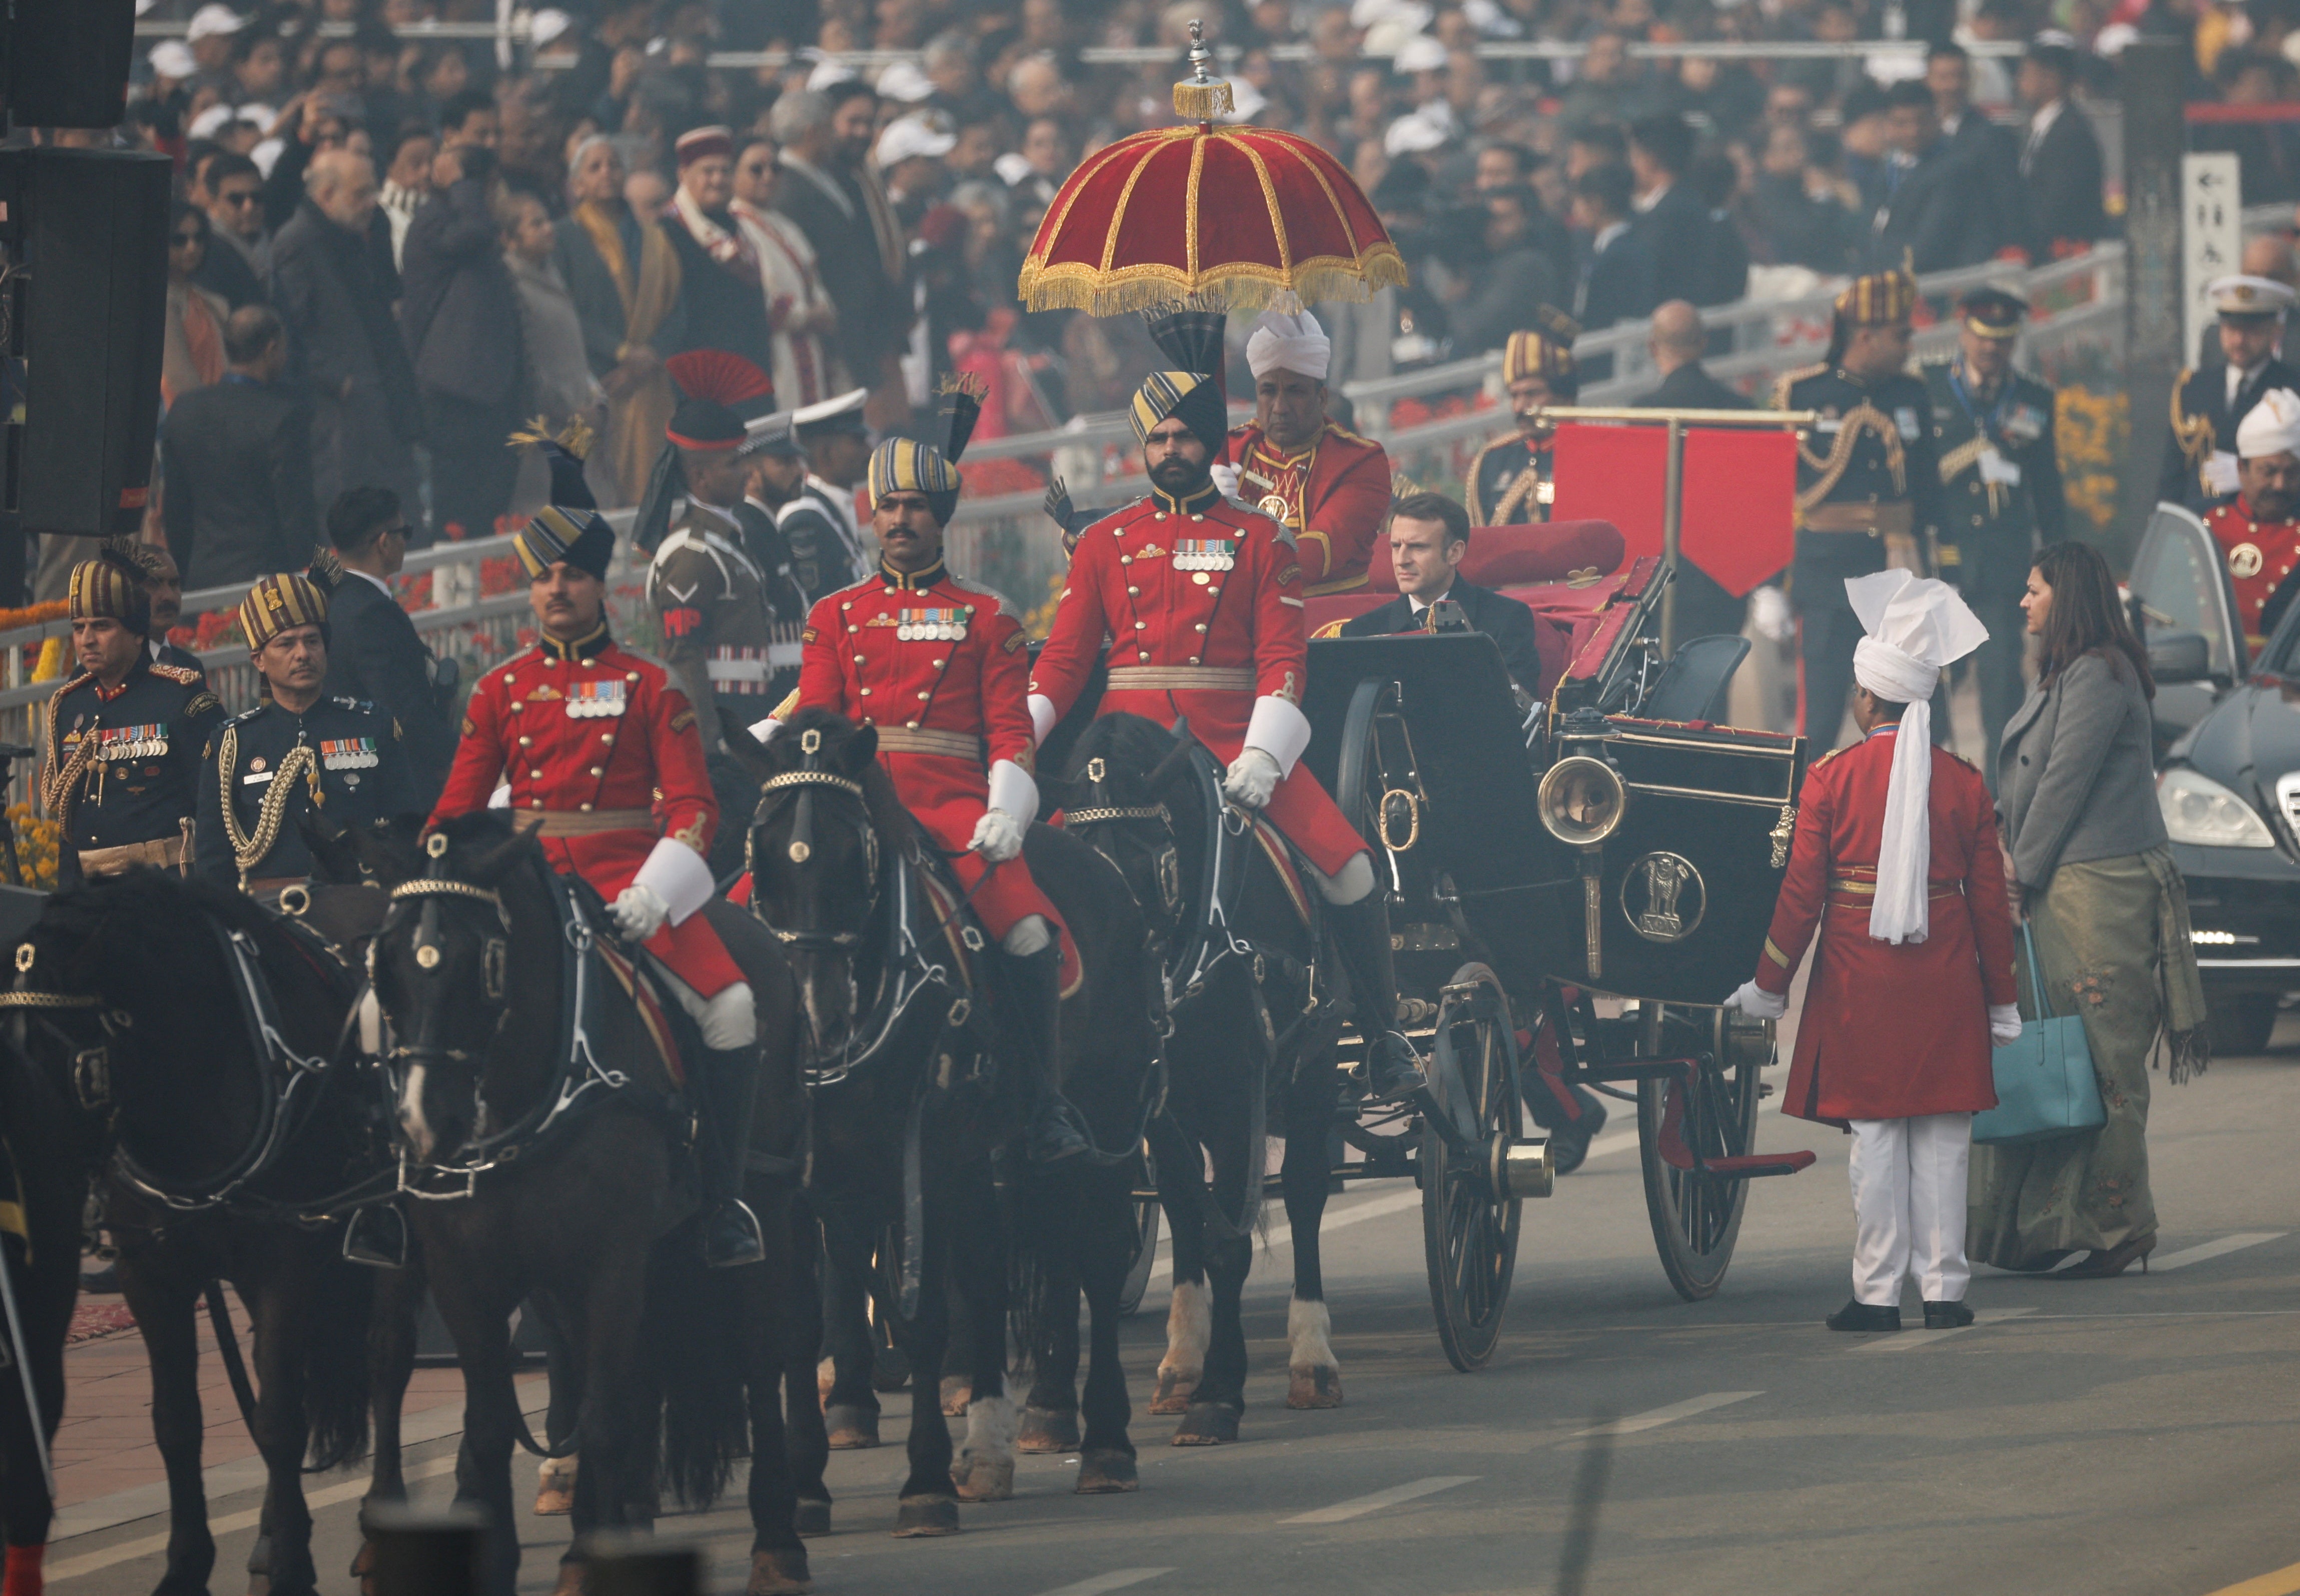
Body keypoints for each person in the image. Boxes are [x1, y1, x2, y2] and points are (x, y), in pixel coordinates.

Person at [1028, 365, 1425, 1103]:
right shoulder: (1105, 540)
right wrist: (1015, 743)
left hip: (1236, 739)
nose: (1171, 449)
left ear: (1211, 441)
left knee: (1353, 872)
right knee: (1033, 878)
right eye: (1158, 438)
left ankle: (1383, 1035)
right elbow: (1062, 661)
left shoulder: (1260, 538)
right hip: (1124, 754)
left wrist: (1265, 755)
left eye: (1185, 436)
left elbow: (1282, 658)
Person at [427, 476, 775, 1269]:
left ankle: (722, 1201)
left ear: (599, 586)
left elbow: (695, 808)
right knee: (397, 1012)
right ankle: (407, 1191)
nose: (558, 588)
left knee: (733, 1010)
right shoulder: (498, 692)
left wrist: (656, 893)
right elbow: (453, 815)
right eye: (545, 575)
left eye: (573, 575)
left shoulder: (653, 685)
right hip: (521, 894)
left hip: (630, 891)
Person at [752, 378, 1091, 1163]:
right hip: (852, 814)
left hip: (956, 816)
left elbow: (1011, 731)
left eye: (915, 506)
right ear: (871, 515)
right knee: (745, 917)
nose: (900, 519)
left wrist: (1006, 810)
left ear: (941, 517)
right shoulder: (834, 615)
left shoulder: (990, 616)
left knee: (1033, 937)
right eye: (888, 505)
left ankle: (1043, 1105)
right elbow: (818, 721)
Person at [1728, 570, 2016, 1332]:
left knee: (1880, 1140)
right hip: (1950, 974)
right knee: (1947, 1135)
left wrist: (1768, 984)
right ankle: (1947, 1292)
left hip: (1861, 977)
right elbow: (1992, 905)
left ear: (1866, 699)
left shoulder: (1830, 779)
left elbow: (1799, 900)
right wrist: (2005, 999)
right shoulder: (1965, 783)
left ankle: (1879, 1293)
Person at [1971, 541, 2209, 1280]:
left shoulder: (2100, 676)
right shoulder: (2071, 673)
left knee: (2102, 1069)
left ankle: (2120, 1225)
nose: (2023, 601)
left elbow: (2063, 784)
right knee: (2066, 1063)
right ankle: (2054, 1227)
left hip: (2097, 894)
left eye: (2034, 589)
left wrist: (2017, 874)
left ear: (2064, 596)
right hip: (2067, 895)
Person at [1775, 267, 1945, 748]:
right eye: (1901, 335)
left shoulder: (1910, 394)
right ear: (1865, 336)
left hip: (1899, 574)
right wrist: (1772, 584)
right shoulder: (1804, 395)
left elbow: (1929, 490)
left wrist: (1944, 569)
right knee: (1821, 718)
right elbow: (1777, 493)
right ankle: (1803, 819)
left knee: (1917, 716)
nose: (1909, 345)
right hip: (1830, 577)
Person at [195, 571, 417, 894]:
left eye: (312, 641)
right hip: (271, 913)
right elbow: (213, 860)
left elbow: (405, 828)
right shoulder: (233, 744)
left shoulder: (372, 725)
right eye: (286, 644)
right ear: (258, 659)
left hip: (357, 903)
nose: (302, 654)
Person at [1926, 287, 2065, 765]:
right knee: (1931, 693)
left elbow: (2048, 489)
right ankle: (1926, 792)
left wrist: (2058, 562)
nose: (1992, 350)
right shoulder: (1929, 389)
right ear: (1964, 332)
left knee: (2004, 687)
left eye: (2003, 342)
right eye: (1984, 339)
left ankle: (1997, 805)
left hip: (2006, 568)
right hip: (1945, 562)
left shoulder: (2033, 397)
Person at [41, 548, 226, 886]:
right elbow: (68, 819)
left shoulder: (182, 695)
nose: (87, 640)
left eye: (102, 627)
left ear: (137, 633)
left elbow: (214, 806)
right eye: (79, 628)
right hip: (92, 891)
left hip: (161, 887)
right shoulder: (70, 704)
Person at [270, 147, 425, 528]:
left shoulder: (355, 236)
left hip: (382, 401)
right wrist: (340, 383)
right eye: (360, 194)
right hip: (340, 418)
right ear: (326, 196)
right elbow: (293, 332)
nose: (372, 203)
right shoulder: (297, 244)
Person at [640, 354, 785, 753]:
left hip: (748, 722)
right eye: (734, 462)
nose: (747, 471)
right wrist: (707, 746)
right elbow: (684, 656)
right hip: (724, 731)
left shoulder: (724, 541)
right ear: (701, 475)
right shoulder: (691, 554)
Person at [553, 134, 685, 510]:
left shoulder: (654, 237)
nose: (607, 172)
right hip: (600, 378)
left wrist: (651, 355)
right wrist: (621, 352)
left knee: (654, 484)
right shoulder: (564, 237)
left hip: (652, 380)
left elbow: (677, 309)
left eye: (613, 164)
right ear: (577, 183)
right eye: (595, 167)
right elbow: (568, 310)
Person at [1219, 311, 1393, 595]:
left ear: (1321, 399)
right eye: (1268, 392)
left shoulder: (1359, 462)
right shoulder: (1231, 450)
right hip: (1244, 618)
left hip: (1332, 622)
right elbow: (1185, 548)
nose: (1279, 407)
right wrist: (1206, 512)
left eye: (1295, 392)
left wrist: (1224, 551)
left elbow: (1314, 557)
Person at [401, 140, 523, 541]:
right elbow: (472, 231)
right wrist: (464, 183)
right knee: (459, 517)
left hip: (489, 396)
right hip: (455, 396)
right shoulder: (437, 221)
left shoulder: (463, 223)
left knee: (490, 514)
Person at [769, 85, 909, 427]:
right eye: (831, 127)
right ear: (813, 133)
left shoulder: (830, 176)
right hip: (841, 336)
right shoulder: (788, 189)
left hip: (866, 330)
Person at [159, 305, 321, 589]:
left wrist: (181, 578)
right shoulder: (282, 417)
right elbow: (296, 514)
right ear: (271, 349)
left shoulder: (184, 411)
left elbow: (175, 510)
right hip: (267, 580)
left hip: (202, 576)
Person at [1331, 491, 1546, 696]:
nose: (1401, 560)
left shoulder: (1505, 620)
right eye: (1396, 546)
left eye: (1418, 547)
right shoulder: (1360, 633)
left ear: (1455, 552)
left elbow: (1519, 715)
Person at [319, 487, 457, 806]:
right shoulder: (371, 612)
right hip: (391, 789)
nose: (405, 541)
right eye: (404, 532)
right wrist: (470, 751)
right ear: (384, 542)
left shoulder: (330, 599)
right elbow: (402, 711)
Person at [1634, 300, 1756, 643]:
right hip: (1725, 574)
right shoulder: (1742, 412)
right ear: (1703, 344)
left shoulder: (1640, 415)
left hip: (1656, 575)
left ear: (1652, 347)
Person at [2160, 275, 2300, 511]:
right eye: (2231, 328)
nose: (2239, 340)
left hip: (2269, 527)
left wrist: (2249, 477)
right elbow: (2173, 478)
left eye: (2252, 330)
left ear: (2276, 332)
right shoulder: (2195, 387)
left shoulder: (2293, 388)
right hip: (2200, 527)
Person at [730, 132, 844, 411]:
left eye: (775, 169)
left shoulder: (787, 225)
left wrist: (824, 310)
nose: (768, 177)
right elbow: (753, 304)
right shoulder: (732, 228)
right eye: (756, 170)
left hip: (811, 348)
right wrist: (804, 316)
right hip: (774, 355)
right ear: (733, 174)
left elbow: (813, 278)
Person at [660, 126, 777, 378]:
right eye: (708, 171)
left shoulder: (739, 226)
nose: (718, 180)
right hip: (701, 372)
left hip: (750, 367)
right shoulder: (667, 232)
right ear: (683, 175)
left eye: (725, 171)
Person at [2201, 386, 2300, 652]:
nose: (2280, 485)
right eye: (2269, 472)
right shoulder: (2209, 529)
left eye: (2291, 474)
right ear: (2241, 469)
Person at [1466, 310, 1578, 526]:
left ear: (1564, 398)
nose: (1520, 407)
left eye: (1533, 394)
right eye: (1514, 395)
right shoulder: (1493, 459)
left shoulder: (1589, 454)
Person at [2017, 32, 2106, 263]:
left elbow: (2058, 204)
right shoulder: (2042, 127)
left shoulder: (2070, 134)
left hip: (2064, 255)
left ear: (2050, 79)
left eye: (2028, 74)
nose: (2021, 83)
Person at [779, 387, 873, 601]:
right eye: (858, 442)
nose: (869, 451)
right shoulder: (804, 519)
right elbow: (818, 605)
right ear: (825, 453)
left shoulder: (833, 506)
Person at [1570, 163, 1655, 333]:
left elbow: (1598, 316)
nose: (1574, 209)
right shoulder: (1633, 244)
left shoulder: (1616, 256)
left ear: (1596, 203)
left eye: (1578, 200)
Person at [163, 202, 229, 409]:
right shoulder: (165, 304)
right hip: (189, 417)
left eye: (198, 238)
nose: (192, 248)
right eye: (179, 240)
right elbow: (180, 378)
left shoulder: (208, 301)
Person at [195, 150, 271, 310]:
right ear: (213, 203)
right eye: (236, 199)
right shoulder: (204, 254)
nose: (249, 207)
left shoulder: (274, 238)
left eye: (256, 197)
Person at [120, 542, 205, 680]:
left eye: (174, 584)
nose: (169, 596)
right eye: (153, 585)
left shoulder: (191, 667)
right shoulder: (112, 672)